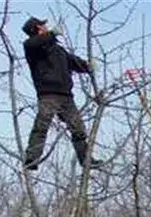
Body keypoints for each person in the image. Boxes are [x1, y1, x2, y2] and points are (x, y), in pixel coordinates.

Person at [21, 16, 103, 171]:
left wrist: (87, 65)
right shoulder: (33, 47)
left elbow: (72, 61)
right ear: (37, 29)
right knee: (42, 126)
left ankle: (86, 160)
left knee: (78, 128)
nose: (46, 27)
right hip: (48, 94)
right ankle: (32, 158)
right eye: (43, 26)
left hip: (66, 96)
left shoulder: (58, 49)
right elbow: (33, 42)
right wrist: (52, 34)